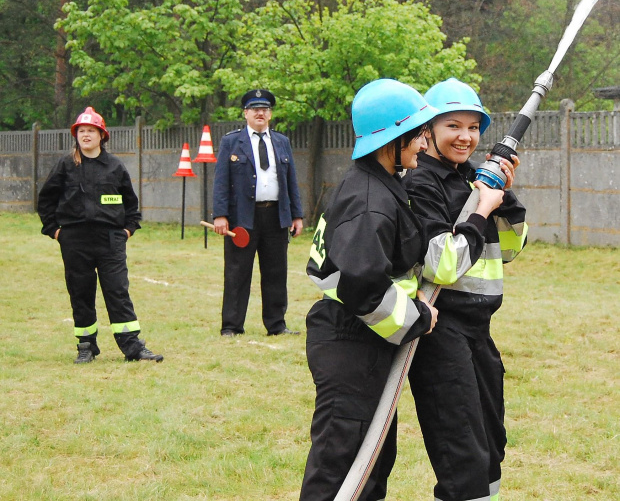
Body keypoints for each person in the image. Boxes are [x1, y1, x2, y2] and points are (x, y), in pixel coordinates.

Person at [299, 79, 440, 501]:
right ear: (391, 139)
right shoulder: (368, 199)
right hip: (352, 343)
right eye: (416, 135)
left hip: (363, 342)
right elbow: (363, 289)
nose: (423, 143)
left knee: (372, 464)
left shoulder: (377, 183)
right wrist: (418, 317)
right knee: (343, 466)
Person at [402, 78, 528, 501]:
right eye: (453, 126)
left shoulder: (478, 180)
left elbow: (508, 251)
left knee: (492, 447)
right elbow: (441, 264)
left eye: (473, 127)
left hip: (479, 330)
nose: (465, 137)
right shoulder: (420, 184)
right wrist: (481, 208)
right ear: (429, 131)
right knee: (463, 458)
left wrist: (503, 199)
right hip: (440, 330)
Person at [38, 107, 163, 364]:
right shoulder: (65, 165)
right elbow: (46, 201)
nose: (85, 135)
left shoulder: (115, 166)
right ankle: (86, 346)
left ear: (101, 136)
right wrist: (55, 231)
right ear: (76, 136)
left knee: (117, 291)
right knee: (81, 292)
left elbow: (130, 203)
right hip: (75, 241)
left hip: (110, 241)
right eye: (81, 131)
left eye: (90, 131)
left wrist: (127, 230)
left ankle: (133, 347)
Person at [212, 89, 304, 337]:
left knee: (276, 272)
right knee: (237, 272)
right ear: (246, 113)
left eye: (264, 109)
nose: (260, 113)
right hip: (242, 217)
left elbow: (290, 180)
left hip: (275, 216)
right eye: (255, 109)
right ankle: (231, 326)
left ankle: (276, 325)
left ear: (270, 114)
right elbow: (221, 181)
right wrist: (220, 215)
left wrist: (297, 215)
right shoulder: (231, 142)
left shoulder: (282, 142)